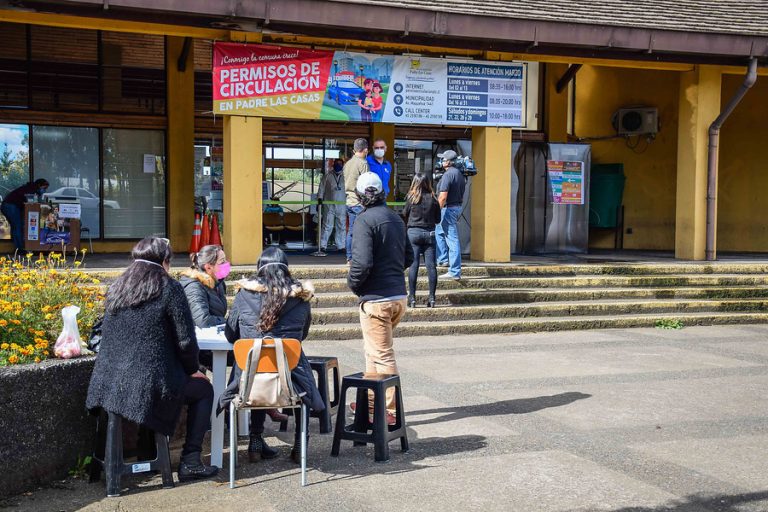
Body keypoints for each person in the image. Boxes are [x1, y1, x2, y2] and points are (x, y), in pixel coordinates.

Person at [86, 237, 218, 481]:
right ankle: (190, 461)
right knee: (203, 389)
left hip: (107, 383)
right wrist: (192, 370)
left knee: (153, 379)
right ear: (165, 261)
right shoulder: (169, 287)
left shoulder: (118, 286)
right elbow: (186, 342)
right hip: (146, 385)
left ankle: (149, 452)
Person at [222, 247, 324, 463]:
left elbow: (231, 334)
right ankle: (299, 444)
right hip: (292, 380)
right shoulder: (301, 298)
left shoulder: (243, 295)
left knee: (260, 368)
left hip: (248, 382)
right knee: (299, 386)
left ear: (259, 270)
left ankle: (256, 440)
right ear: (286, 270)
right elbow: (302, 335)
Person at [347, 173, 413, 424]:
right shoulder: (395, 219)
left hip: (376, 299)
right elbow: (408, 256)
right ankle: (372, 404)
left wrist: (353, 284)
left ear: (362, 195)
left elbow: (361, 263)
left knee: (382, 354)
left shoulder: (364, 221)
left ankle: (390, 411)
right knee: (373, 351)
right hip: (398, 295)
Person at [403, 173, 441, 308]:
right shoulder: (433, 198)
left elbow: (404, 214)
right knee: (431, 267)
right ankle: (432, 298)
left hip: (413, 233)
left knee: (414, 266)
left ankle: (412, 298)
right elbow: (438, 220)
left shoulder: (411, 198)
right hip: (429, 234)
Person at [435, 150, 465, 280]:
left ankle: (454, 271)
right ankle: (442, 259)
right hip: (455, 207)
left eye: (443, 159)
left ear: (448, 162)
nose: (441, 161)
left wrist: (435, 211)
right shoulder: (459, 174)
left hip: (448, 209)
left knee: (452, 239)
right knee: (439, 231)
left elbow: (442, 197)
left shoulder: (448, 175)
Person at [1, 178, 49, 253]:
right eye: (44, 188)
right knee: (17, 226)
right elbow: (31, 202)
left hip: (8, 205)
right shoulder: (31, 190)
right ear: (39, 185)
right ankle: (20, 249)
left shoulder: (30, 188)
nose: (44, 190)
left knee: (15, 227)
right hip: (10, 206)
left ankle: (17, 248)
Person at [343, 138, 370, 262]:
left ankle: (349, 258)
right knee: (365, 232)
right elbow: (367, 185)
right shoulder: (363, 163)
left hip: (349, 201)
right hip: (360, 203)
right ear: (365, 150)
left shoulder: (347, 164)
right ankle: (362, 257)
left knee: (351, 231)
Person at [317, 158, 346, 252]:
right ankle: (323, 245)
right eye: (337, 163)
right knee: (327, 225)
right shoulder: (327, 176)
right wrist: (319, 199)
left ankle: (341, 246)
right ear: (333, 165)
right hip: (329, 205)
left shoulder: (346, 176)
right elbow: (321, 187)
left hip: (342, 204)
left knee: (341, 225)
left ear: (343, 165)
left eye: (340, 164)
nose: (338, 165)